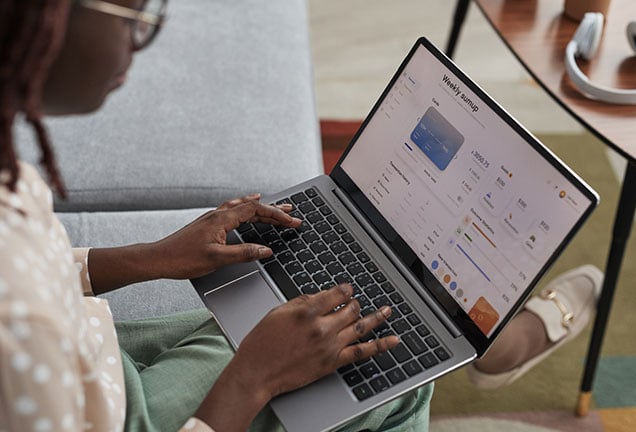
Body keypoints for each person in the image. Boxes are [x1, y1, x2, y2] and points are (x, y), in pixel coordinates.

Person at [0, 0, 602, 431]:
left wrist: (151, 257)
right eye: (130, 12)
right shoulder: (19, 325)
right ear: (38, 18)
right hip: (121, 407)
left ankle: (472, 344)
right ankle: (488, 351)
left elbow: (27, 265)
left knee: (333, 318)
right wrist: (252, 380)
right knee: (391, 372)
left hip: (94, 355)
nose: (143, 30)